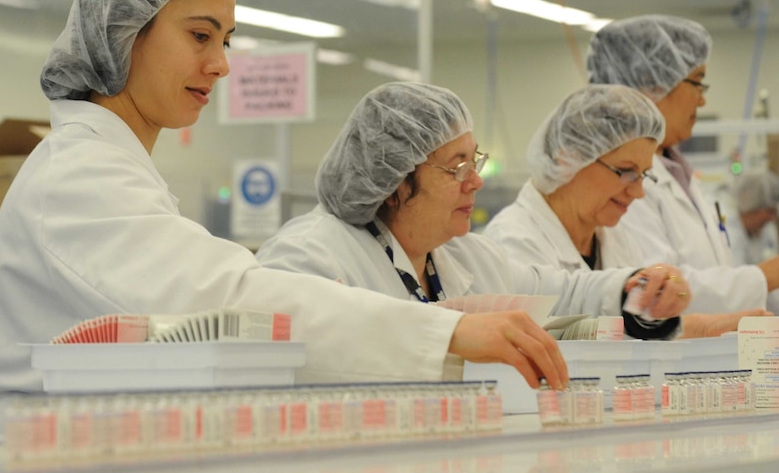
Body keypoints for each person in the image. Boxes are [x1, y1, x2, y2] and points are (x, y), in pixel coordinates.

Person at [0, 0, 570, 397]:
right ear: (124, 30)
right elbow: (226, 297)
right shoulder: (77, 178)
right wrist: (445, 334)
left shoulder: (114, 169)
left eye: (227, 40)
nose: (221, 63)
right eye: (200, 35)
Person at [256, 81, 689, 340]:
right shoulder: (307, 255)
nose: (475, 181)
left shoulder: (468, 257)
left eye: (473, 161)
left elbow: (563, 293)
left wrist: (638, 287)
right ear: (393, 181)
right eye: (456, 167)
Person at [483, 84, 770, 337]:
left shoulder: (616, 238)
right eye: (625, 172)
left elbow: (645, 329)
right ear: (569, 157)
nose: (638, 192)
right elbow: (562, 336)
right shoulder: (512, 242)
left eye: (644, 174)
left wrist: (713, 324)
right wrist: (704, 327)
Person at [585, 15, 779, 316]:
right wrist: (762, 278)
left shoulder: (678, 173)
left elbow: (715, 269)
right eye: (697, 82)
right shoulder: (624, 183)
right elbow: (659, 287)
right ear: (653, 85)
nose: (702, 101)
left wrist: (778, 294)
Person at [724, 169, 779, 265]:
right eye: (769, 211)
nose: (772, 218)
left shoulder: (767, 229)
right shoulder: (729, 235)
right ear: (749, 208)